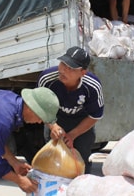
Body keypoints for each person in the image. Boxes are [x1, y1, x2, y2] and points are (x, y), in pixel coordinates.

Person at [38, 46, 104, 174]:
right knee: (53, 158)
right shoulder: (47, 79)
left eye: (71, 68)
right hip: (55, 118)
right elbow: (40, 106)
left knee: (80, 160)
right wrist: (53, 126)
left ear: (82, 72)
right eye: (63, 64)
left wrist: (73, 135)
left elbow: (95, 115)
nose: (63, 70)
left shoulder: (92, 86)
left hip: (81, 122)